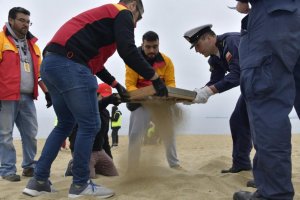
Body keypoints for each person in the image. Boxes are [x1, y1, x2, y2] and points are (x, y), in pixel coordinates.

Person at [23, 0, 168, 198]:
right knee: (91, 124)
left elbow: (97, 66)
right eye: (138, 18)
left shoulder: (100, 25)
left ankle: (38, 180)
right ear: (133, 5)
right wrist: (154, 78)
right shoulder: (122, 12)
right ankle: (80, 184)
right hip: (71, 65)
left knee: (65, 124)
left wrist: (117, 86)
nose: (135, 24)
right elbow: (128, 50)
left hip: (51, 64)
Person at [232, 1, 300, 200]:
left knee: (267, 104)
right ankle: (269, 179)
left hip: (274, 17)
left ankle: (274, 192)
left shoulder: (227, 41)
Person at [183, 25, 252, 174]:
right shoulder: (214, 59)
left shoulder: (232, 41)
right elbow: (215, 81)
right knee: (237, 121)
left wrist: (207, 92)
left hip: (264, 82)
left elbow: (237, 74)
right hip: (251, 87)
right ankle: (242, 165)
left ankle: (267, 174)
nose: (196, 50)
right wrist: (195, 95)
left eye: (197, 45)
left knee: (260, 125)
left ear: (208, 38)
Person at [0, 7, 52, 182]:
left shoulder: (33, 46)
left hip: (28, 98)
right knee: (5, 134)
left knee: (30, 133)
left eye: (28, 21)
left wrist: (47, 93)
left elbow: (39, 74)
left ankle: (29, 167)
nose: (26, 24)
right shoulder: (1, 40)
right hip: (5, 97)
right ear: (11, 20)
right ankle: (7, 170)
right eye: (22, 20)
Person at [125, 31, 181, 170]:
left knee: (169, 132)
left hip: (161, 103)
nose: (152, 50)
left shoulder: (166, 61)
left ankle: (174, 164)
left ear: (158, 45)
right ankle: (133, 166)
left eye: (155, 47)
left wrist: (167, 95)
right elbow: (130, 85)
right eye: (148, 46)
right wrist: (144, 95)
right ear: (142, 45)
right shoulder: (133, 61)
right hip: (141, 103)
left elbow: (171, 83)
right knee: (135, 134)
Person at [65, 83, 119, 178]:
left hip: (99, 151)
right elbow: (96, 106)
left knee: (113, 174)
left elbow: (104, 137)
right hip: (84, 151)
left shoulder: (106, 113)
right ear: (95, 95)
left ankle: (94, 165)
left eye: (106, 97)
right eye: (102, 96)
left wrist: (110, 157)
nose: (104, 99)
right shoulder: (85, 107)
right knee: (89, 178)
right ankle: (73, 165)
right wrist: (109, 99)